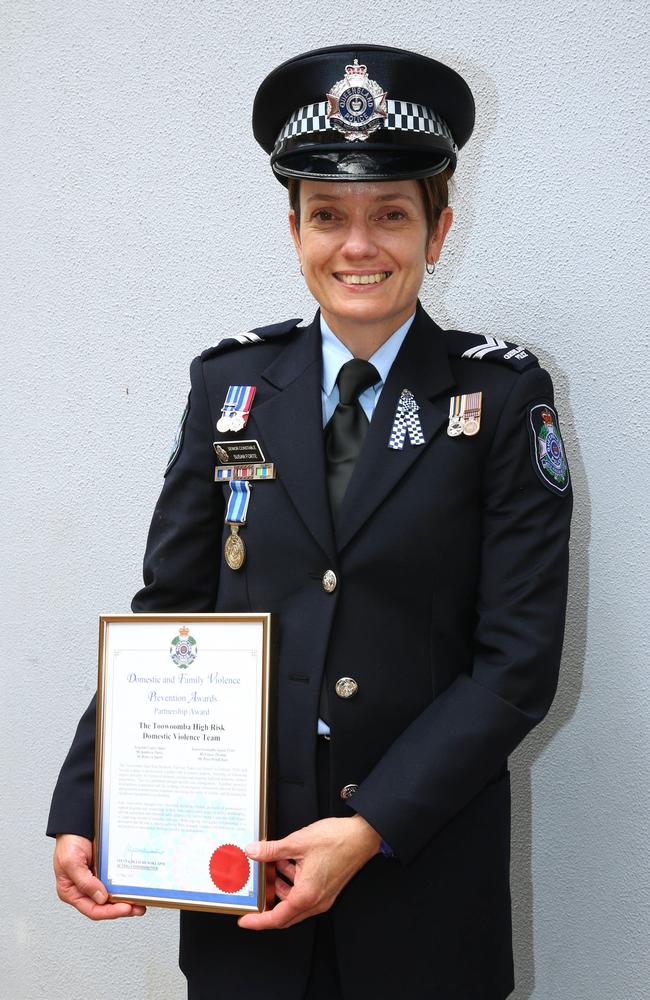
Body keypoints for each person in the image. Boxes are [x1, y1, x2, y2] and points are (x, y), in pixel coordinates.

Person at [48, 44, 573, 1000]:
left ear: (438, 229)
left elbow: (517, 664)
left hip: (421, 879)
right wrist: (89, 798)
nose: (358, 246)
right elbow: (173, 608)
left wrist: (368, 826)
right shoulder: (231, 386)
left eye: (391, 215)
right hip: (245, 872)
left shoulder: (500, 396)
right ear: (293, 229)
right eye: (327, 215)